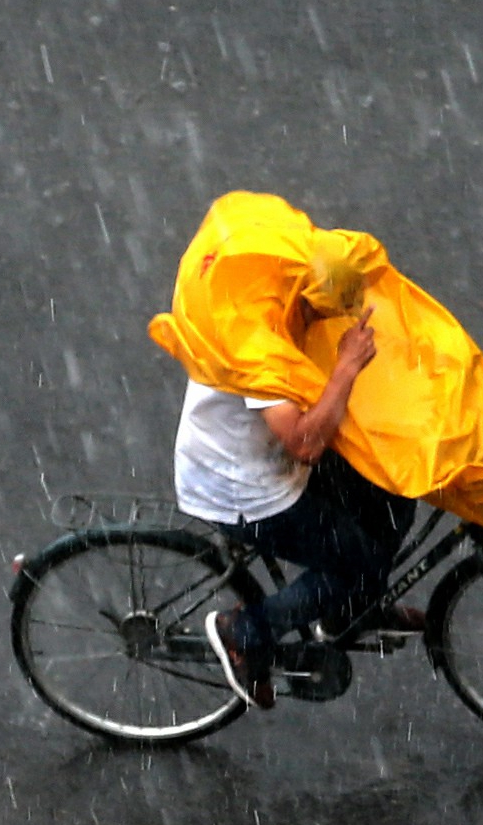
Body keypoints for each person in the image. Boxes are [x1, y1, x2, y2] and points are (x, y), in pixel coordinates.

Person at [177, 242, 420, 711]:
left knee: (393, 492)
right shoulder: (257, 347)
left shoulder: (277, 284)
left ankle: (346, 613)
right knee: (358, 568)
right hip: (244, 488)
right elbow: (305, 445)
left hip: (260, 456)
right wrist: (347, 367)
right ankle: (245, 632)